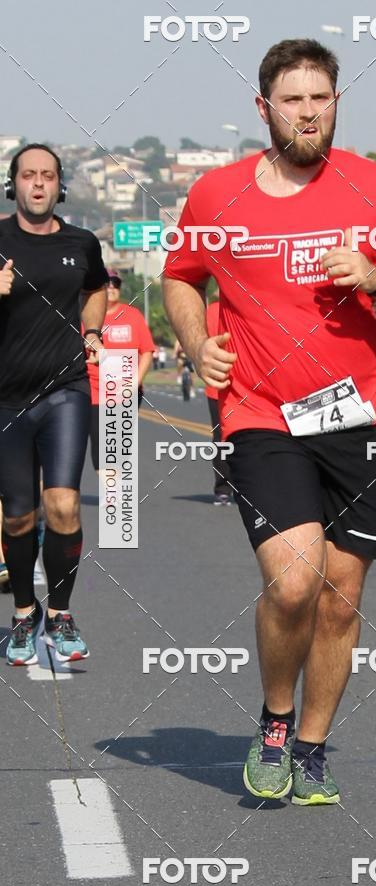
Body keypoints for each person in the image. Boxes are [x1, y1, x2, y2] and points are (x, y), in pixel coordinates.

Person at [163, 39, 376, 805]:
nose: (309, 111)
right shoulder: (217, 196)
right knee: (294, 583)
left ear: (336, 103)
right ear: (265, 108)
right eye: (293, 98)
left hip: (353, 415)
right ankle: (276, 723)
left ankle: (312, 749)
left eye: (321, 96)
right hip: (261, 414)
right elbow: (181, 278)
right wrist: (195, 341)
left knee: (341, 596)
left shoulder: (375, 187)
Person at [0, 143, 108, 665]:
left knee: (63, 503)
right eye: (28, 175)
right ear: (13, 184)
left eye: (47, 176)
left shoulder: (81, 242)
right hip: (6, 401)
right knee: (19, 518)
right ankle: (24, 613)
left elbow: (96, 288)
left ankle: (60, 612)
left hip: (65, 389)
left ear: (60, 184)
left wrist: (92, 329)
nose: (38, 184)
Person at [86, 269, 155, 473]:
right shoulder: (88, 318)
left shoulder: (132, 315)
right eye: (107, 284)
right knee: (101, 449)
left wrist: (135, 383)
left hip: (127, 392)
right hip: (96, 392)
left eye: (115, 284)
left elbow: (147, 351)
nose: (112, 288)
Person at [205, 300, 233, 505]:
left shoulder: (249, 302)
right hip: (218, 385)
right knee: (221, 437)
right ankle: (222, 487)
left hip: (251, 386)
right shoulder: (212, 310)